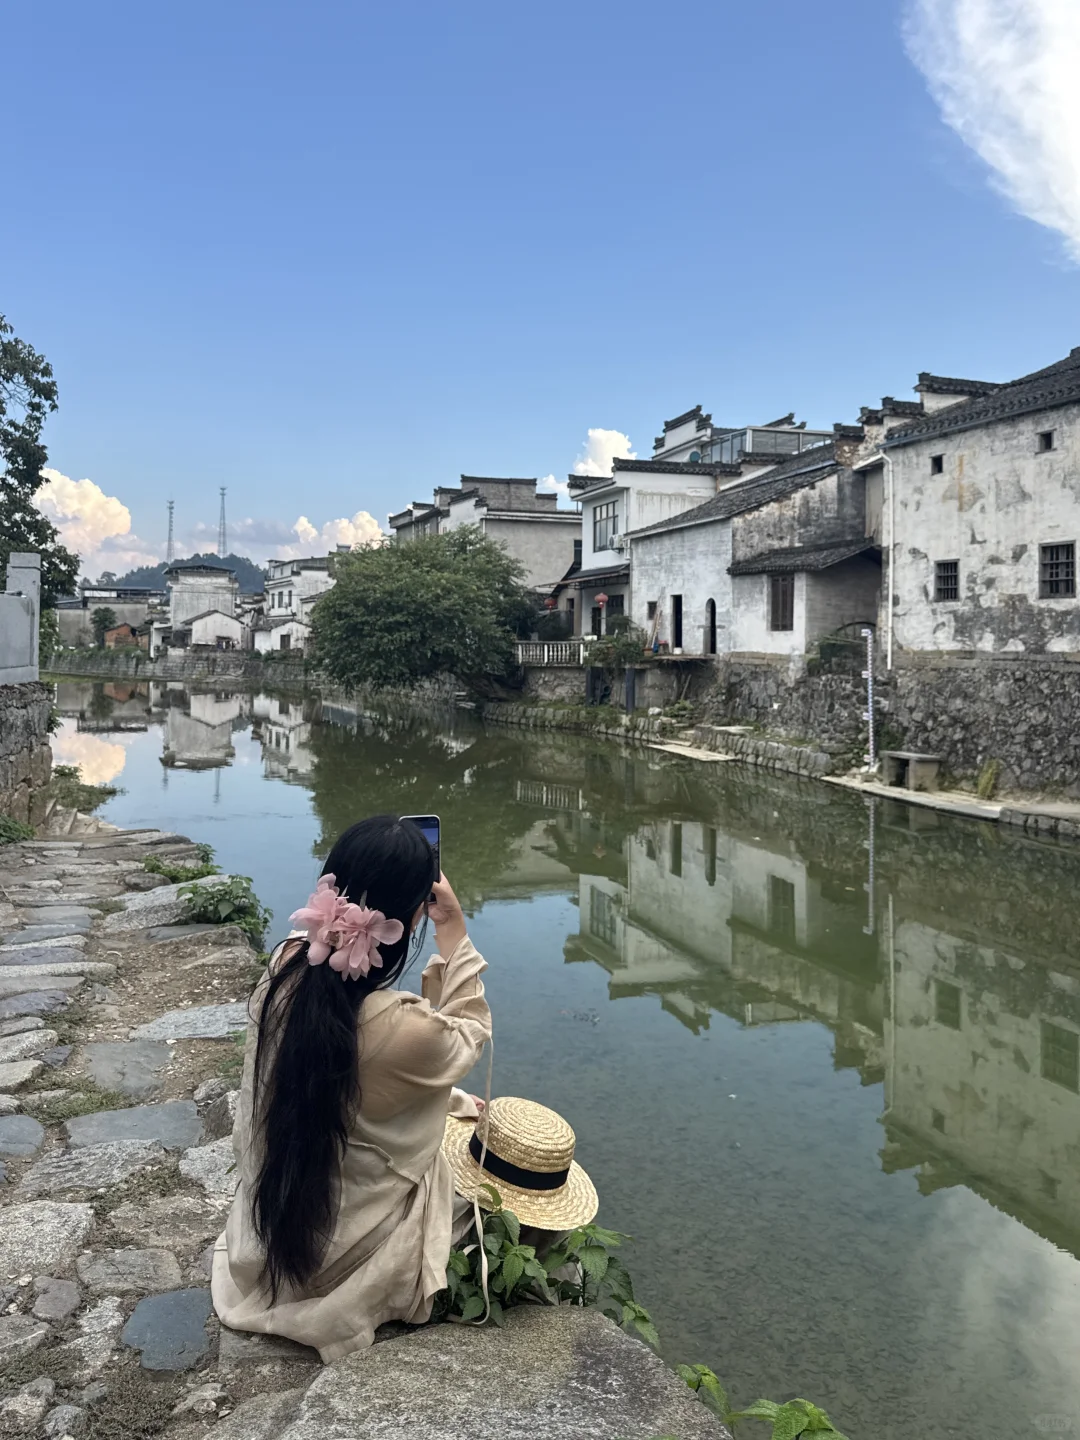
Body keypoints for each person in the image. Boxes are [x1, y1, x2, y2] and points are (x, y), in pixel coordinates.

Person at [211, 813, 491, 1361]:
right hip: (346, 1256)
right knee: (497, 1189)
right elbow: (471, 1032)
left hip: (265, 1236)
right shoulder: (406, 1029)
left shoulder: (286, 966)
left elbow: (347, 1076)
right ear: (413, 918)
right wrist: (453, 928)